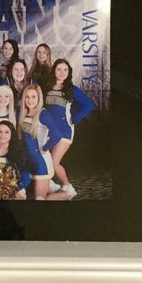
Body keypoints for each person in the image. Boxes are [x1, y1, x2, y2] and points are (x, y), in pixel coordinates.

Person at [42, 58, 95, 198]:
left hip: (65, 131)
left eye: (65, 70)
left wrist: (75, 118)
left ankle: (68, 187)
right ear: (54, 71)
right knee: (45, 159)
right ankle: (51, 185)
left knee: (54, 162)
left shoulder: (72, 90)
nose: (61, 72)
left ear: (69, 72)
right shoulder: (47, 87)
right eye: (59, 69)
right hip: (49, 131)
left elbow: (89, 105)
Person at [19, 85, 70, 201]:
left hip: (41, 163)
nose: (30, 100)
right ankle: (50, 186)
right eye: (27, 97)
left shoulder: (43, 114)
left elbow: (57, 135)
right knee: (33, 197)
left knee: (40, 199)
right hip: (29, 163)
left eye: (33, 97)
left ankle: (68, 195)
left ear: (38, 98)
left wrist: (45, 148)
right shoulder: (23, 114)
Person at [0, 120, 30, 199]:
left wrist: (10, 190)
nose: (2, 135)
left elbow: (26, 179)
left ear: (12, 134)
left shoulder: (18, 151)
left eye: (6, 132)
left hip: (15, 190)